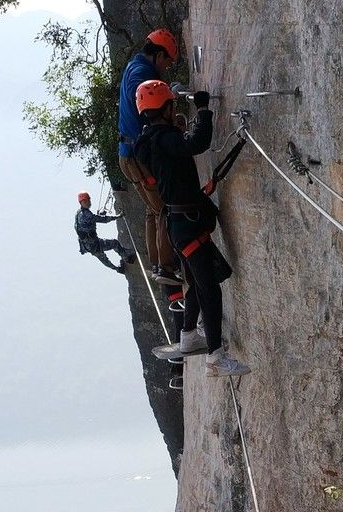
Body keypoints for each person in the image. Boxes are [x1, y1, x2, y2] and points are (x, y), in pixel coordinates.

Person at [134, 80, 251, 378]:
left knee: (202, 282)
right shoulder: (164, 139)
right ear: (166, 107)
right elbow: (196, 143)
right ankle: (215, 357)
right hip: (186, 225)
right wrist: (203, 109)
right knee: (209, 287)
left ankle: (189, 335)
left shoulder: (148, 141)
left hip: (179, 223)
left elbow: (176, 168)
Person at [117, 29, 180, 286]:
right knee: (163, 207)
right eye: (167, 60)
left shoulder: (135, 66)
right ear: (158, 54)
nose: (166, 66)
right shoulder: (141, 73)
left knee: (153, 211)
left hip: (129, 155)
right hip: (137, 156)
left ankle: (157, 263)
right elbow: (139, 97)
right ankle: (165, 267)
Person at [74, 192, 133, 273]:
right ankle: (127, 258)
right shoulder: (85, 214)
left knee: (103, 258)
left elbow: (89, 222)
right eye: (85, 201)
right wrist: (118, 216)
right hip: (93, 244)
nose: (88, 202)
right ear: (81, 203)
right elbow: (102, 220)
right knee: (114, 244)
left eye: (88, 200)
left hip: (88, 244)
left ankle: (118, 269)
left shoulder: (79, 213)